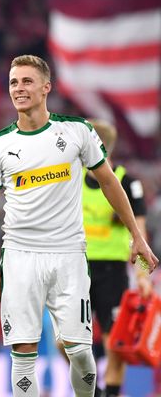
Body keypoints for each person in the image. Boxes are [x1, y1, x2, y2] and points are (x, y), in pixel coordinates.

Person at [0, 54, 158, 397]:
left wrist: (137, 236)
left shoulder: (76, 132)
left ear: (46, 87)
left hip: (70, 255)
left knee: (81, 352)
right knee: (23, 351)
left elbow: (108, 183)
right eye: (14, 82)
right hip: (19, 255)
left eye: (27, 81)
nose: (19, 88)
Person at [79, 119, 151, 397]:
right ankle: (93, 390)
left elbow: (140, 235)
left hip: (112, 272)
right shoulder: (73, 181)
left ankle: (109, 393)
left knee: (114, 342)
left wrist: (143, 276)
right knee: (66, 342)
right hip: (78, 269)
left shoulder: (128, 184)